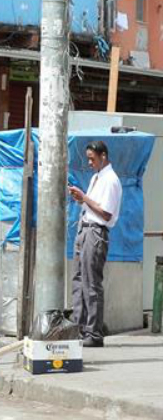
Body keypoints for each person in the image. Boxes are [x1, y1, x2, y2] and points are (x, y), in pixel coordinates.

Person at [67, 140, 122, 348]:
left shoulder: (111, 180)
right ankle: (79, 327)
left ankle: (94, 333)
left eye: (92, 158)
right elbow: (93, 205)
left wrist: (84, 198)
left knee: (91, 284)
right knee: (79, 280)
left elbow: (106, 213)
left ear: (103, 156)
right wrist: (81, 198)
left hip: (96, 232)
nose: (90, 163)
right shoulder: (97, 178)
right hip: (85, 228)